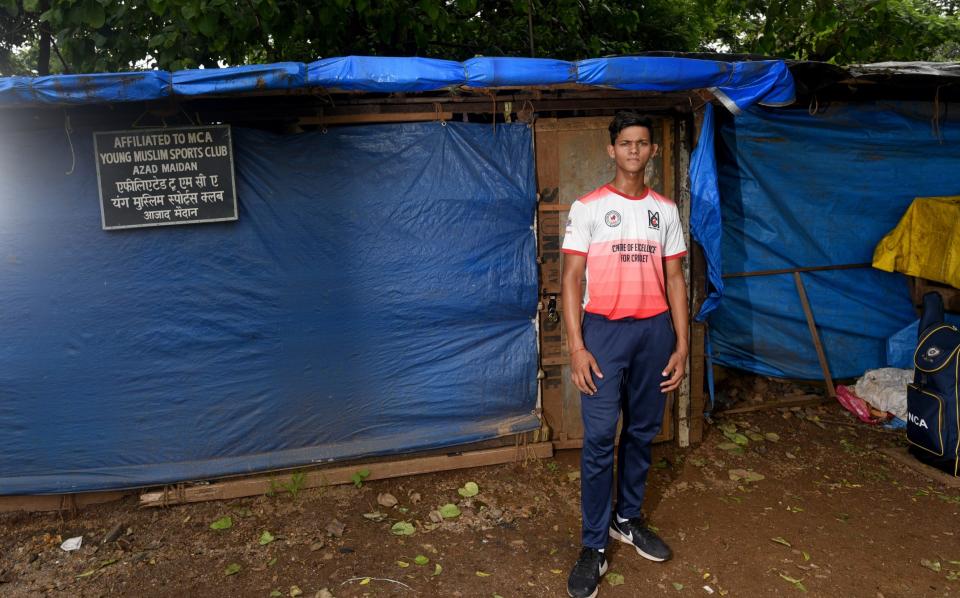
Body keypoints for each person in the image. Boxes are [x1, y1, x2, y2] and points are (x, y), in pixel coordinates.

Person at [561, 111, 689, 598]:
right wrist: (576, 346)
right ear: (611, 150)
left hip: (654, 333)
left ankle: (626, 518)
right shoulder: (588, 207)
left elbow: (675, 278)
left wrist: (681, 342)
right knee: (598, 438)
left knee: (641, 431)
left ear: (653, 151)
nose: (634, 150)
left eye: (642, 143)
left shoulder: (666, 211)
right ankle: (593, 545)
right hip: (603, 334)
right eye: (625, 143)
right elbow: (572, 280)